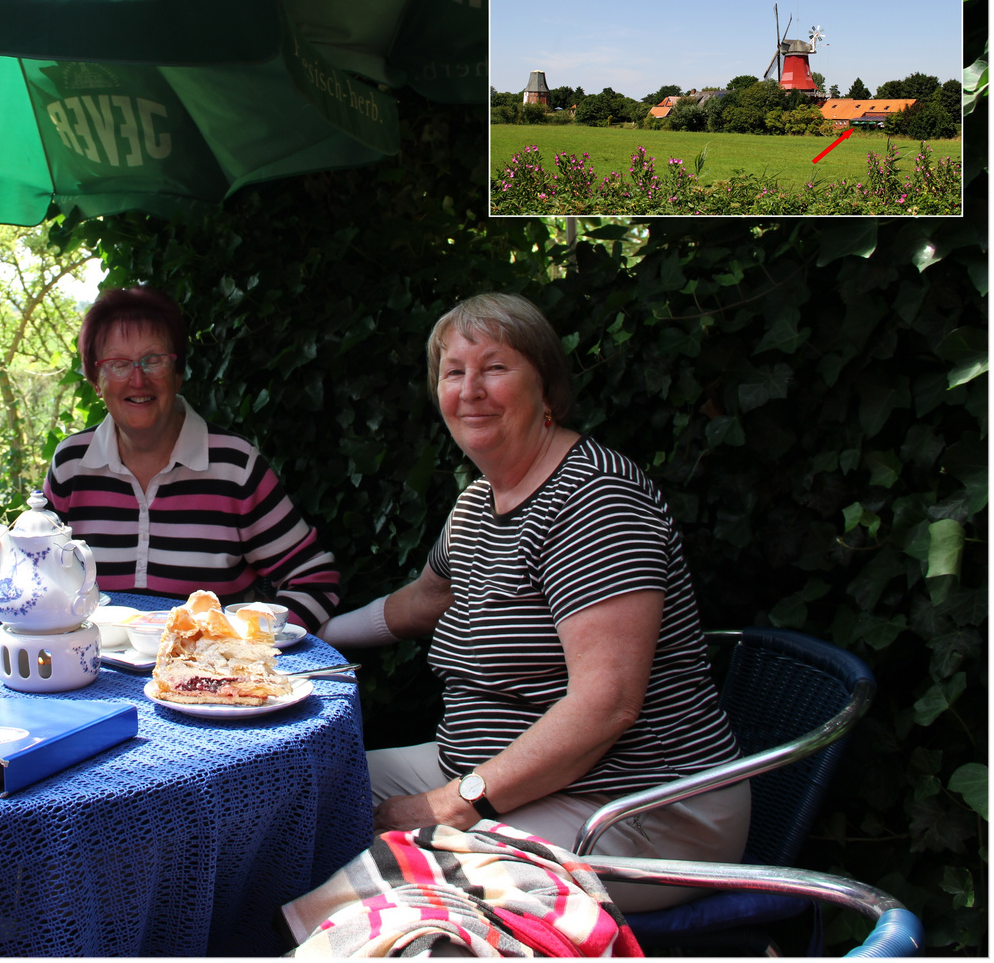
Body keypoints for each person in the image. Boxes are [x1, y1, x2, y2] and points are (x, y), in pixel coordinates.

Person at [318, 292, 748, 912]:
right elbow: (422, 601)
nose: (471, 390)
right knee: (300, 797)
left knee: (385, 891)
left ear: (546, 387)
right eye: (454, 372)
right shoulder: (478, 503)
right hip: (485, 770)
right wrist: (310, 633)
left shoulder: (595, 500)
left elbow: (605, 706)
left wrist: (444, 807)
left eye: (495, 367)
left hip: (636, 805)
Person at [43, 286, 340, 632]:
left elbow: (314, 579)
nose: (138, 379)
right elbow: (37, 579)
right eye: (119, 364)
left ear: (178, 373)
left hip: (207, 680)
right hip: (90, 676)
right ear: (96, 382)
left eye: (153, 360)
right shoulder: (71, 465)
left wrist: (246, 643)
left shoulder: (235, 467)